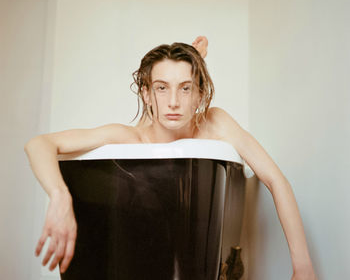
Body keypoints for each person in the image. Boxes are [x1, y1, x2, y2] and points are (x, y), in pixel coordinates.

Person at [24, 36, 317, 279]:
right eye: (161, 88)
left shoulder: (214, 124)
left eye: (185, 88)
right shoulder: (130, 138)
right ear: (146, 94)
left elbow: (276, 181)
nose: (173, 102)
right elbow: (39, 144)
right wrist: (60, 197)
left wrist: (302, 267)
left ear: (200, 95)